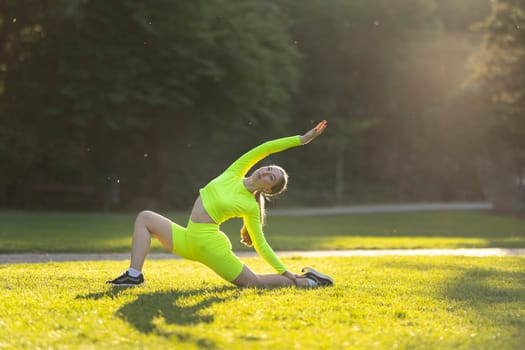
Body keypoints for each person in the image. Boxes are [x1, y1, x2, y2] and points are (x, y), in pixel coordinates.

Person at [107, 120, 333, 288]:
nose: (266, 171)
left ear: (268, 190)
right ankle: (134, 275)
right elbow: (266, 147)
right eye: (269, 168)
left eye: (271, 177)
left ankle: (307, 282)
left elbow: (261, 244)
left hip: (209, 245)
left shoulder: (250, 206)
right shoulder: (235, 172)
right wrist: (301, 139)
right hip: (188, 238)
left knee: (253, 283)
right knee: (145, 217)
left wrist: (286, 272)